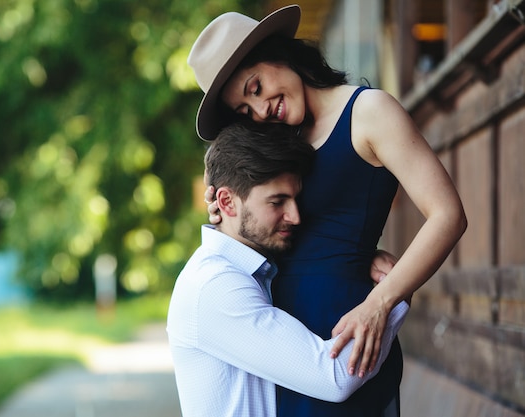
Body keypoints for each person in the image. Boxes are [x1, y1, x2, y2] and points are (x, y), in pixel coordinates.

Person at [187, 4, 467, 417]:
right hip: (285, 357)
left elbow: (448, 214)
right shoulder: (279, 144)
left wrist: (383, 300)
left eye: (256, 86)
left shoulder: (369, 112)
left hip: (349, 344)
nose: (262, 110)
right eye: (246, 111)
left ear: (279, 52)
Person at [166, 120, 409, 417]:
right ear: (226, 202)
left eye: (296, 199)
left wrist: (356, 259)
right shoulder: (216, 285)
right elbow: (333, 375)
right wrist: (394, 294)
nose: (294, 216)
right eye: (277, 202)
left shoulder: (251, 270)